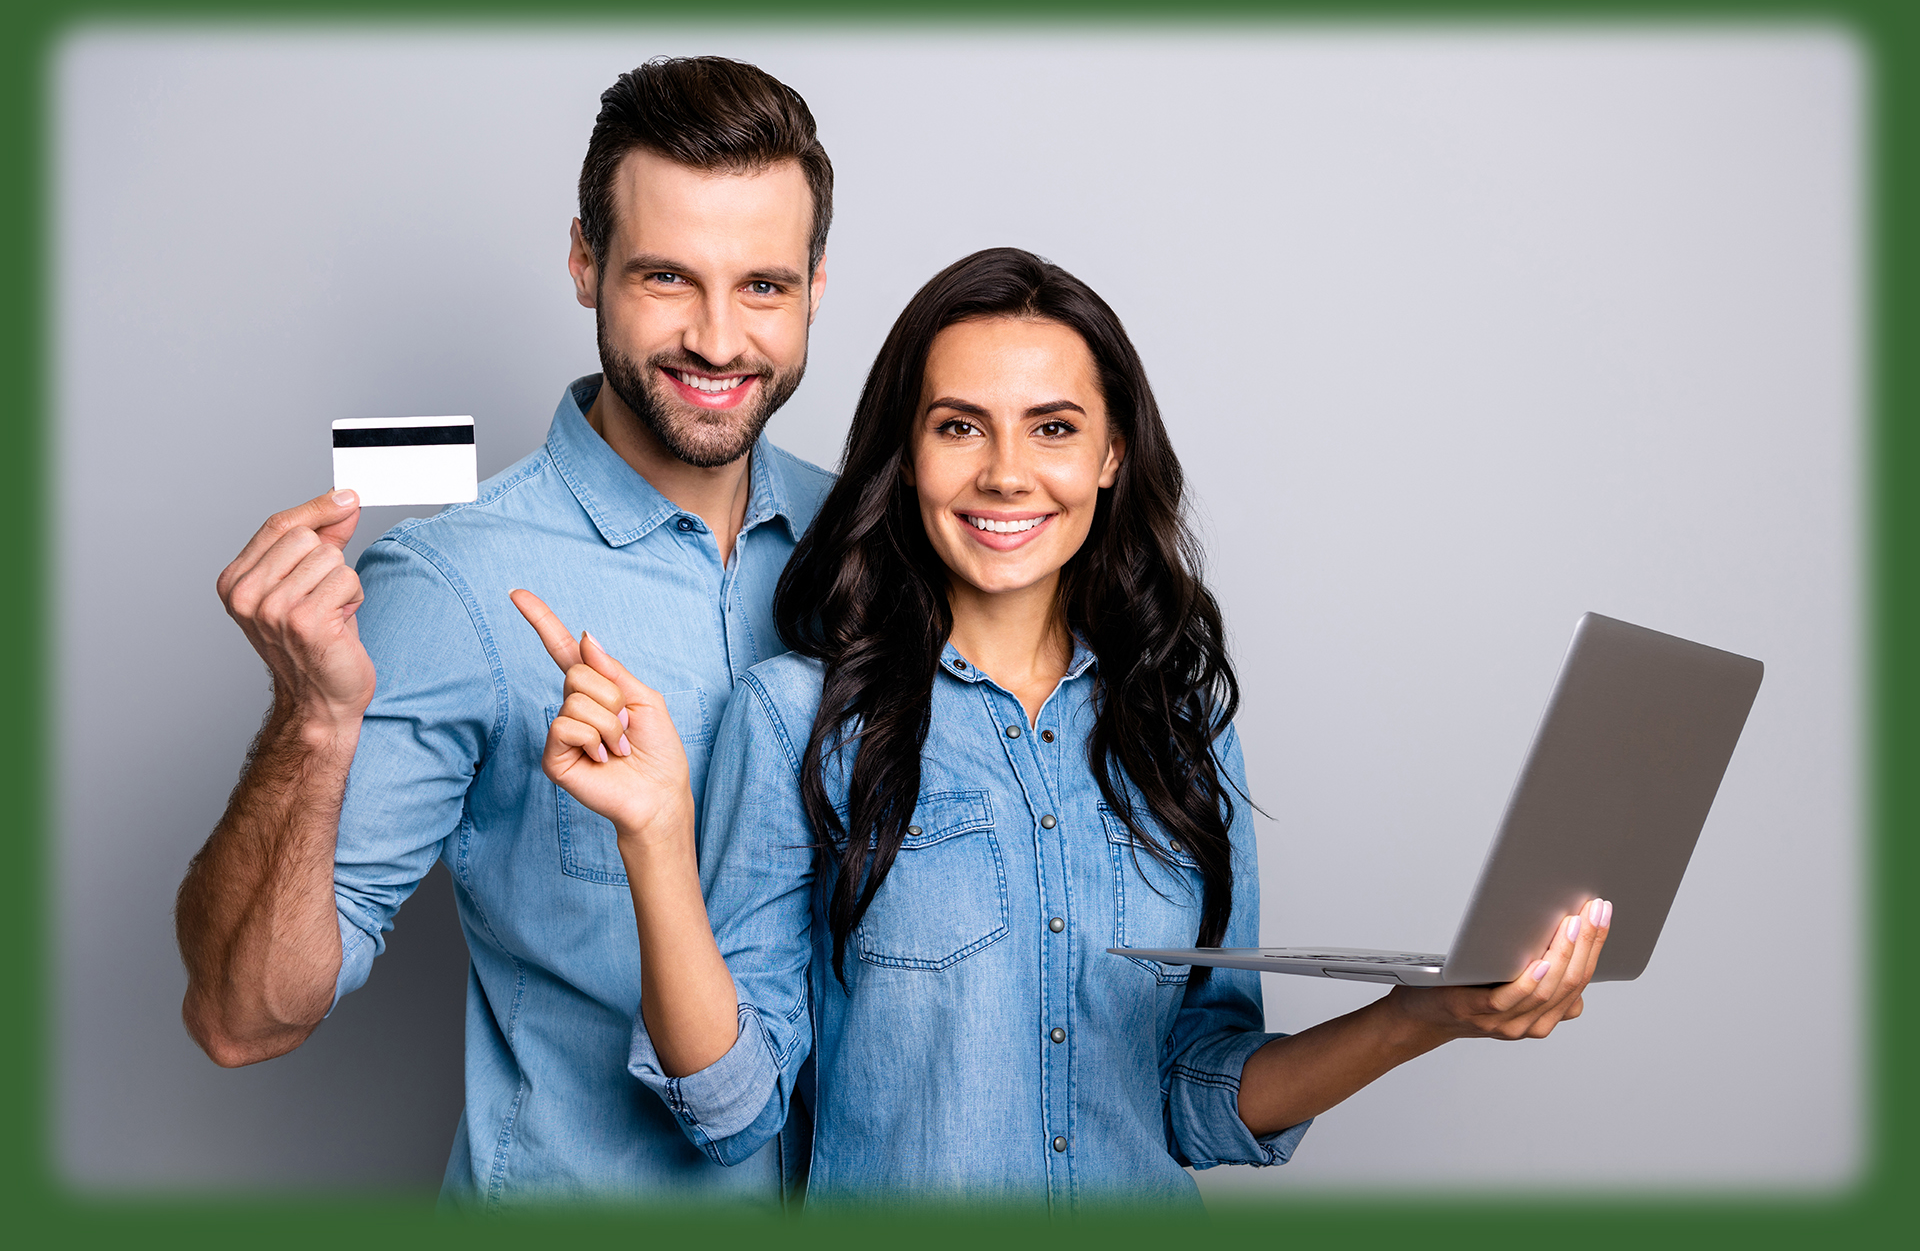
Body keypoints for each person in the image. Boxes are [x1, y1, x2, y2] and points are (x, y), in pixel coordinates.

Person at [518, 247, 1611, 1210]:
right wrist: (656, 839)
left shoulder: (1179, 726)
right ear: (908, 456)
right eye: (959, 426)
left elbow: (1198, 1093)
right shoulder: (799, 716)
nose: (1005, 471)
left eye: (1053, 427)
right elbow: (731, 1106)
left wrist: (1425, 1014)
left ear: (1111, 455)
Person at [175, 57, 837, 1206]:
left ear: (817, 286)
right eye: (667, 277)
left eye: (764, 285)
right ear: (584, 261)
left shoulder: (877, 540)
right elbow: (241, 1015)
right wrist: (314, 722)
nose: (720, 340)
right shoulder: (452, 584)